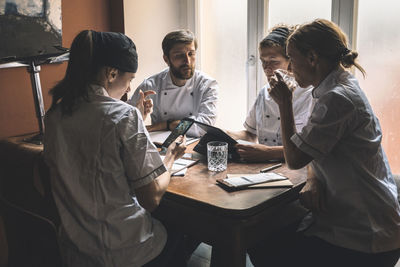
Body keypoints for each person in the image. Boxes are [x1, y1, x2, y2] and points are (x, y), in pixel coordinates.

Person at [250, 19, 400, 267]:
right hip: (360, 219)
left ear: (312, 58)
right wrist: (314, 177)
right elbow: (319, 147)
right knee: (269, 236)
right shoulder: (334, 87)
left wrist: (285, 105)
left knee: (261, 243)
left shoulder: (336, 98)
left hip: (367, 235)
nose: (289, 67)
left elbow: (296, 158)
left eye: (291, 58)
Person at [44, 30, 188, 267]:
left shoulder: (55, 115)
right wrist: (170, 156)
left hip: (77, 251)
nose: (129, 89)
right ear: (111, 74)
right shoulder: (123, 116)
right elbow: (151, 197)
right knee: (190, 226)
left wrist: (139, 120)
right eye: (130, 79)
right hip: (124, 252)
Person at [227, 25, 313, 162]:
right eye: (263, 62)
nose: (267, 68)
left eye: (273, 62)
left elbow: (309, 149)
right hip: (263, 167)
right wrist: (226, 134)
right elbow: (250, 134)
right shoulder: (264, 92)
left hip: (294, 167)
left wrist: (268, 152)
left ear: (291, 62)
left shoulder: (310, 95)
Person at [128, 29, 218, 137]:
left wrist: (167, 125)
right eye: (179, 55)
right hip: (160, 146)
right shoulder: (151, 85)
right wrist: (139, 116)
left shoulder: (207, 85)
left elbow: (204, 127)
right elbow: (126, 119)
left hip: (193, 146)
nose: (187, 61)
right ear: (166, 59)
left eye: (191, 54)